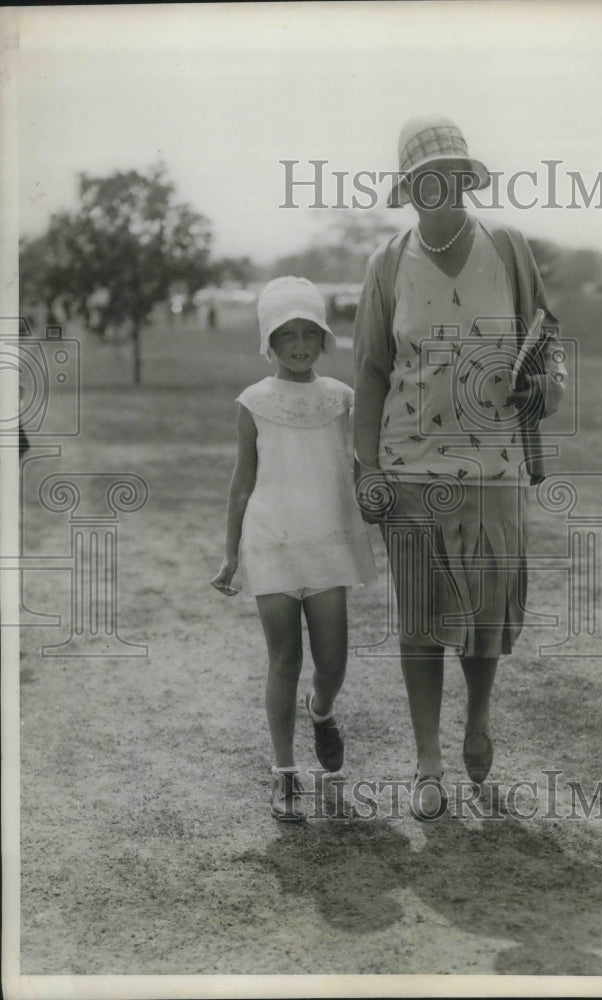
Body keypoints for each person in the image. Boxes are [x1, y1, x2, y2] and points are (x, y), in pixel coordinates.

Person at [353, 114, 567, 820]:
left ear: (466, 179)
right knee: (421, 621)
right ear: (409, 188)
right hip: (408, 468)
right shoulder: (386, 263)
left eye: (449, 174)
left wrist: (540, 385)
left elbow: (547, 350)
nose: (437, 188)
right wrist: (366, 469)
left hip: (496, 467)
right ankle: (427, 762)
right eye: (423, 179)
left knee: (481, 619)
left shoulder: (505, 248)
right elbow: (372, 372)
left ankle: (477, 721)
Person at [212, 276, 375, 823]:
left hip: (326, 544)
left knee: (331, 662)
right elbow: (242, 482)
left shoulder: (342, 399)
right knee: (284, 658)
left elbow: (355, 468)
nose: (300, 345)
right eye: (288, 335)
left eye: (310, 333)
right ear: (270, 341)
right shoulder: (253, 402)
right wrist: (231, 553)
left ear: (324, 338)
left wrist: (376, 495)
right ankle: (284, 774)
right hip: (270, 542)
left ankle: (321, 712)